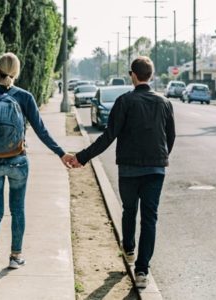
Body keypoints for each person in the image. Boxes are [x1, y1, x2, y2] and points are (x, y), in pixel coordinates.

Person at [71, 56, 175, 288]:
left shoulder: (124, 101)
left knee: (129, 210)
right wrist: (160, 158)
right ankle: (141, 272)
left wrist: (81, 157)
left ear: (133, 75)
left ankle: (128, 249)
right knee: (150, 219)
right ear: (151, 75)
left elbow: (109, 137)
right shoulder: (165, 103)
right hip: (156, 170)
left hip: (129, 169)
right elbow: (171, 138)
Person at [0, 52, 73, 284]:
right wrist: (60, 153)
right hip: (17, 160)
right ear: (16, 72)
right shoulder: (24, 97)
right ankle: (16, 256)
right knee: (17, 209)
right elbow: (41, 130)